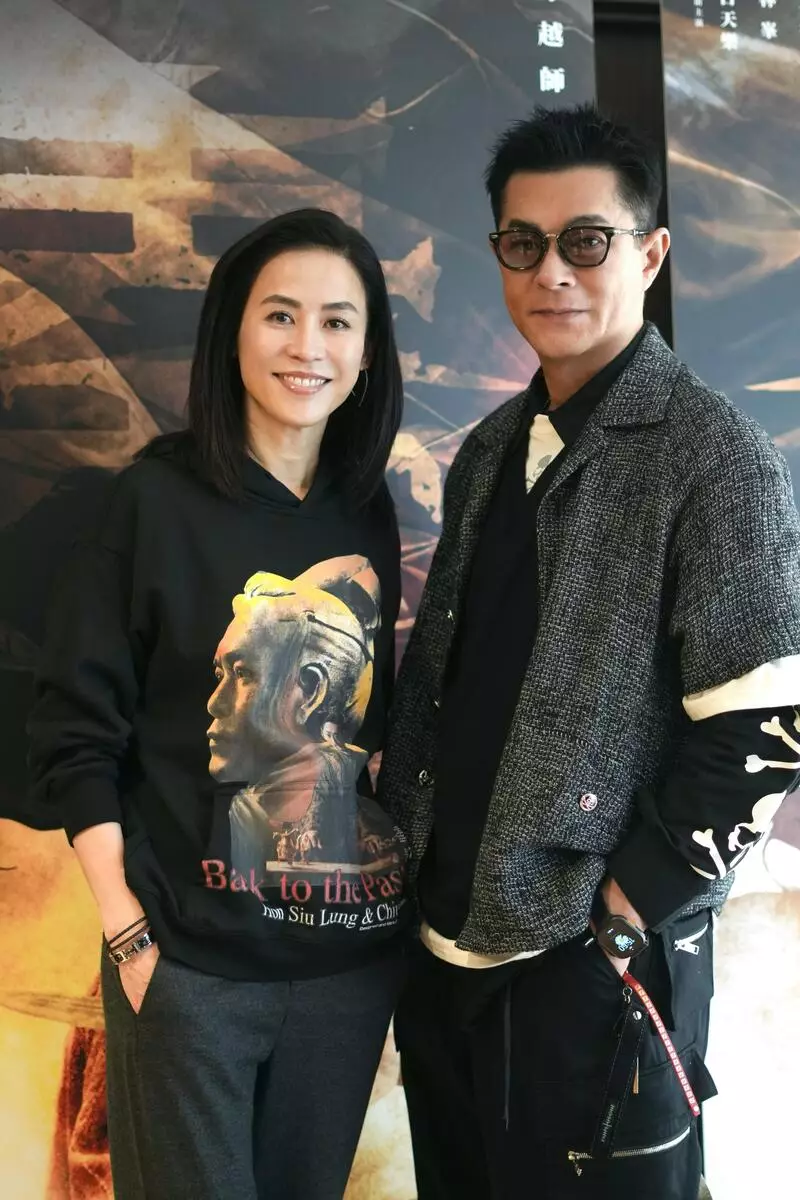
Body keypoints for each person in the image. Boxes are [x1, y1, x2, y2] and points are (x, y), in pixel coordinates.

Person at [378, 105, 800, 1200]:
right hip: (442, 951)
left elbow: (763, 730)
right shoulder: (487, 450)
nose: (551, 272)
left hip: (594, 970)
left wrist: (621, 913)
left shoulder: (715, 457)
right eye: (523, 243)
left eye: (586, 241)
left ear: (649, 254)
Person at [27, 207, 409, 1200]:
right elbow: (76, 730)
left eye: (337, 321)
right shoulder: (152, 503)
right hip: (187, 971)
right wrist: (128, 933)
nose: (307, 346)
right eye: (280, 315)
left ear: (367, 351)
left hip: (342, 973)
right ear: (231, 330)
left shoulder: (365, 511)